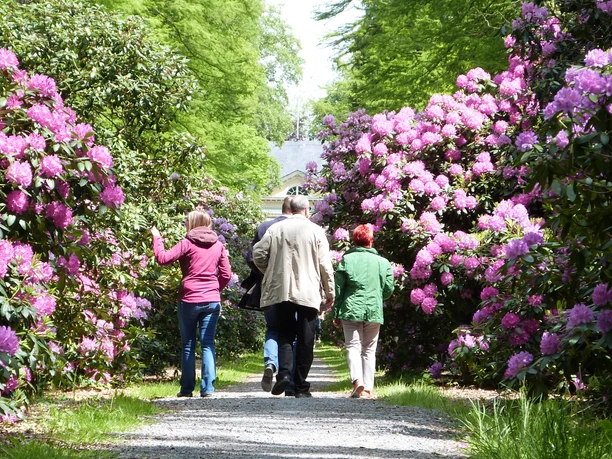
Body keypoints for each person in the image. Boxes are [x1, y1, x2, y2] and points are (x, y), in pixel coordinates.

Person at [252, 195, 335, 398]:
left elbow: (258, 253)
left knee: (285, 334)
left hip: (283, 291)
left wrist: (271, 272)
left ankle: (285, 375)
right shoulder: (316, 231)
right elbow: (325, 264)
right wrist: (330, 291)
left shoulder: (275, 229)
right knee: (306, 339)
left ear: (290, 209)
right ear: (307, 211)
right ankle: (300, 386)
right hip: (308, 292)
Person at [151, 211, 231, 398]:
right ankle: (208, 389)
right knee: (208, 343)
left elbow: (163, 259)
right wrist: (214, 290)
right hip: (211, 300)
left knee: (188, 344)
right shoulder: (218, 245)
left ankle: (187, 389)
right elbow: (226, 274)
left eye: (186, 222)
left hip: (188, 298)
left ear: (192, 224)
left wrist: (157, 238)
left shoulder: (187, 243)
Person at [332, 224, 394, 399]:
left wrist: (336, 312)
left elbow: (339, 289)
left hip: (350, 308)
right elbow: (388, 289)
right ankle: (368, 389)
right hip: (373, 310)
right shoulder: (383, 262)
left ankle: (357, 382)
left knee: (353, 347)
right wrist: (377, 296)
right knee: (369, 350)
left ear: (355, 241)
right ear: (371, 241)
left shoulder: (346, 260)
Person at [243, 197, 294, 393]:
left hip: (268, 287)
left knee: (273, 327)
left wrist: (264, 273)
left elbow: (252, 256)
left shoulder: (264, 227)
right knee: (291, 331)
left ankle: (271, 363)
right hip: (294, 288)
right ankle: (288, 377)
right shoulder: (300, 228)